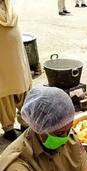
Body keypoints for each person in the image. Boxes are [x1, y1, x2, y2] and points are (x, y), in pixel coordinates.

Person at [0, 0, 32, 141]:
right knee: (6, 93)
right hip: (8, 56)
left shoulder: (8, 4)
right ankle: (10, 127)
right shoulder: (9, 5)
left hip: (14, 55)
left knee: (18, 89)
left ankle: (21, 123)